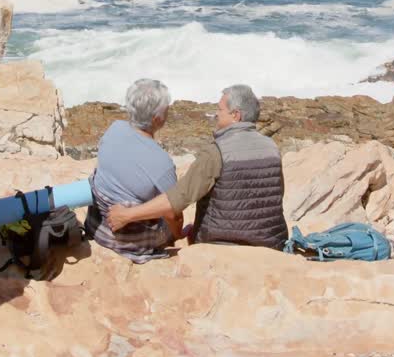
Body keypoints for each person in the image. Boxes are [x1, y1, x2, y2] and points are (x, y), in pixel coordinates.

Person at [107, 84, 288, 249]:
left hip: (222, 245)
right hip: (272, 242)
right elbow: (276, 194)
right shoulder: (272, 147)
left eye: (220, 109)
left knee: (192, 231)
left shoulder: (216, 152)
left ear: (236, 115)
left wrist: (126, 215)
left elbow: (176, 201)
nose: (216, 114)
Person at [87, 78, 183, 263]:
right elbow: (173, 213)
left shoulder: (114, 129)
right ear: (157, 119)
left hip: (97, 227)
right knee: (171, 215)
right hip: (130, 242)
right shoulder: (162, 162)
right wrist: (177, 234)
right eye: (166, 109)